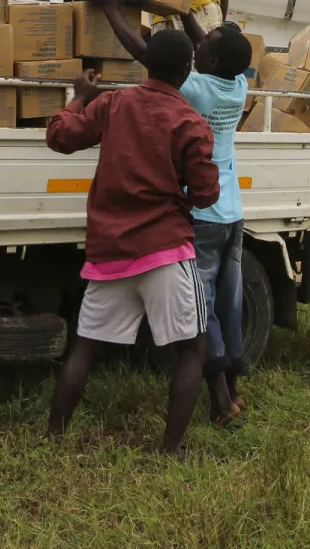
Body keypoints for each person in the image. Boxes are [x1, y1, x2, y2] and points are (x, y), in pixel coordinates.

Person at [44, 29, 221, 456]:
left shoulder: (112, 103)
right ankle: (171, 449)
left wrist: (77, 96)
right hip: (164, 250)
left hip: (110, 253)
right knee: (192, 349)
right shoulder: (190, 123)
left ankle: (54, 437)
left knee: (84, 347)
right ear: (186, 71)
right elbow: (205, 195)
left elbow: (61, 137)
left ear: (146, 64)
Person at [90, 0, 255, 426]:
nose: (196, 48)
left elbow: (151, 60)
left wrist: (109, 11)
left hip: (201, 214)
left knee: (203, 312)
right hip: (233, 213)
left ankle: (221, 401)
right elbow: (208, 45)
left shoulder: (197, 89)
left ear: (209, 63)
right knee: (229, 305)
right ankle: (235, 391)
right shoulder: (236, 83)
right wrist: (183, 11)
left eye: (204, 47)